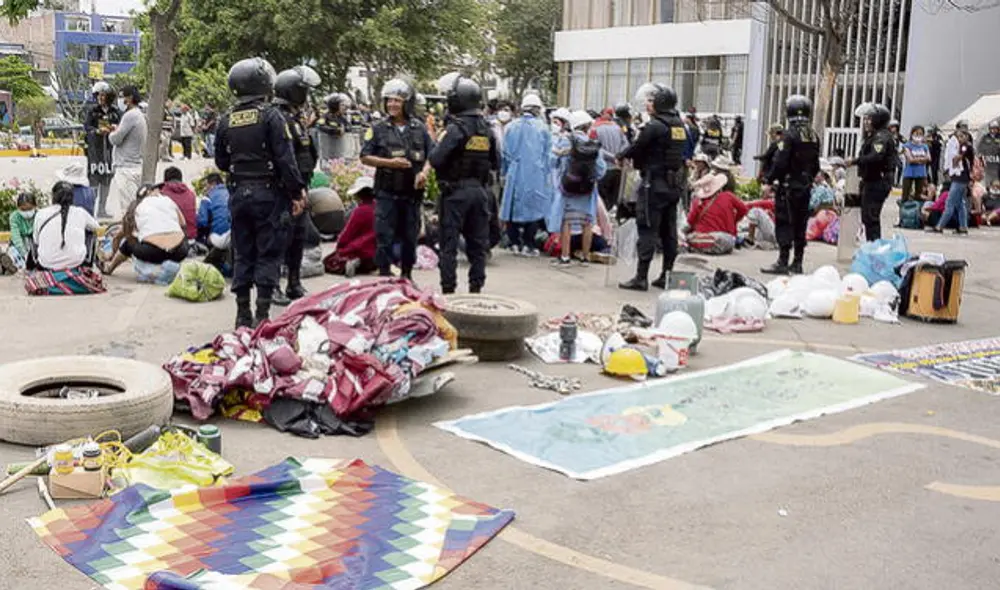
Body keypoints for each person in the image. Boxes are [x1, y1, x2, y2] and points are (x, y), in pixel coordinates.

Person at [214, 57, 307, 328]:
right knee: (269, 252)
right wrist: (297, 192)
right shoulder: (271, 116)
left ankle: (242, 312)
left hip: (238, 193)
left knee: (242, 252)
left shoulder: (226, 119)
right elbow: (285, 159)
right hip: (268, 195)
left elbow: (221, 161)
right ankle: (262, 314)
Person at [428, 72, 496, 294]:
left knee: (448, 245)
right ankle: (476, 290)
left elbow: (436, 159)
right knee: (477, 245)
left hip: (455, 193)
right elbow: (496, 162)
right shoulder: (487, 130)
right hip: (480, 192)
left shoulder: (456, 129)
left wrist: (437, 141)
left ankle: (449, 291)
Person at [360, 78, 433, 281]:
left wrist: (424, 173)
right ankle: (384, 278)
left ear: (407, 104)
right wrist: (390, 163)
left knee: (410, 238)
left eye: (397, 101)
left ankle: (407, 278)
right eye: (389, 100)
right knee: (384, 237)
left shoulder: (419, 128)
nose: (392, 104)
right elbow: (365, 156)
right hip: (387, 194)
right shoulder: (377, 128)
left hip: (412, 195)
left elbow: (431, 156)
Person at [617, 82, 686, 291]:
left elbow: (637, 147)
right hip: (673, 186)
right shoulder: (679, 125)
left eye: (651, 101)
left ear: (660, 103)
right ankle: (666, 274)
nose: (648, 104)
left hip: (653, 185)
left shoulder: (655, 126)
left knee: (647, 228)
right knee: (669, 231)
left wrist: (621, 155)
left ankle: (641, 277)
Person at [272, 65, 321, 305]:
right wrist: (294, 191)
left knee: (297, 237)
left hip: (300, 186)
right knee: (280, 238)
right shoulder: (279, 119)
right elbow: (285, 158)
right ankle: (273, 286)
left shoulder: (296, 119)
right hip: (285, 190)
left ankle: (294, 282)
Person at [761, 95, 820, 275]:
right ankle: (798, 262)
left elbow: (780, 162)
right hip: (805, 186)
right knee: (801, 224)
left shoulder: (788, 135)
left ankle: (783, 261)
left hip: (788, 187)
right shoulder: (813, 135)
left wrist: (769, 180)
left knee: (784, 223)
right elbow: (816, 164)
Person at [546, 110, 606, 267]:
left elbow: (552, 162)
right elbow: (601, 170)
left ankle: (565, 257)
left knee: (566, 221)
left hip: (568, 187)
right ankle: (585, 258)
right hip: (587, 190)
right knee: (587, 222)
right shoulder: (592, 144)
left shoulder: (564, 141)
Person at [500, 93, 552, 256]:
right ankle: (529, 244)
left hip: (514, 173)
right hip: (535, 175)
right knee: (534, 208)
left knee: (511, 207)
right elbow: (548, 154)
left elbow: (504, 153)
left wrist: (504, 173)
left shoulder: (511, 127)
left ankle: (514, 242)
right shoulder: (543, 128)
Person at [101, 184, 189, 274]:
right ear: (149, 192)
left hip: (151, 252)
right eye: (156, 189)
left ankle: (109, 268)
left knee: (128, 243)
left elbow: (118, 237)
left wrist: (112, 254)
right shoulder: (167, 200)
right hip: (180, 251)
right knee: (180, 236)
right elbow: (183, 224)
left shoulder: (136, 207)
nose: (159, 191)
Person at [848, 103, 894, 242]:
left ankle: (874, 247)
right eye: (865, 119)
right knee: (867, 217)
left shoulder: (881, 137)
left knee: (871, 217)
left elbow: (875, 157)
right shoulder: (874, 136)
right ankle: (872, 245)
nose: (866, 122)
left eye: (870, 119)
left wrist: (855, 161)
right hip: (870, 180)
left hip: (878, 182)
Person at [34, 182, 99, 271]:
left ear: (53, 196)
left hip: (46, 264)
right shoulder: (80, 212)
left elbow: (36, 240)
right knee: (92, 232)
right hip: (76, 263)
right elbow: (97, 228)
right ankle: (88, 264)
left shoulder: (41, 213)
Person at [106, 85, 146, 220]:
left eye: (121, 97)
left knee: (128, 211)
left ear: (129, 98)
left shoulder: (130, 115)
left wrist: (111, 133)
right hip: (134, 166)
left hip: (126, 169)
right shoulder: (138, 114)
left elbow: (115, 139)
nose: (119, 100)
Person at [323, 176, 377, 276]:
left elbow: (347, 234)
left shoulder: (360, 211)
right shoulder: (380, 208)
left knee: (329, 261)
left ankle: (352, 262)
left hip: (360, 249)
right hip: (377, 251)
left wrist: (339, 247)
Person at [684, 172, 748, 255]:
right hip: (728, 239)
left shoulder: (698, 202)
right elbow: (744, 209)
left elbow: (689, 223)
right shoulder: (728, 196)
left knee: (687, 239)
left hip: (706, 238)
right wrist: (734, 221)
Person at [83, 81, 120, 218]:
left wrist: (114, 128)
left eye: (103, 95)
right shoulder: (92, 111)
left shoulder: (115, 112)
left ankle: (102, 209)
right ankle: (91, 210)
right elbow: (87, 127)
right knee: (94, 181)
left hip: (110, 151)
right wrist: (97, 131)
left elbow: (121, 126)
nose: (100, 98)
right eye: (98, 95)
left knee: (107, 180)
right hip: (95, 152)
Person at [932, 128, 976, 234]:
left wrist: (952, 155)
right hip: (961, 177)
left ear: (966, 136)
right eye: (958, 137)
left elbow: (957, 158)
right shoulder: (962, 146)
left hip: (961, 177)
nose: (959, 139)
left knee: (950, 202)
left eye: (962, 136)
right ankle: (963, 226)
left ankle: (940, 226)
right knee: (960, 203)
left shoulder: (965, 146)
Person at [589, 107, 629, 212]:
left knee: (602, 199)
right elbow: (626, 144)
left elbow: (595, 148)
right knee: (613, 197)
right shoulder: (618, 128)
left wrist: (612, 157)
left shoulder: (595, 128)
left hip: (603, 169)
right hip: (618, 168)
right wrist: (619, 156)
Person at [196, 172, 231, 268]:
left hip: (217, 237)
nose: (206, 188)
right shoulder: (230, 193)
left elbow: (202, 222)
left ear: (213, 184)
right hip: (233, 235)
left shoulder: (207, 197)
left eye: (206, 185)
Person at [159, 166, 198, 240]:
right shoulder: (191, 194)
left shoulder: (161, 194)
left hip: (170, 239)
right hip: (190, 237)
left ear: (165, 180)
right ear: (181, 179)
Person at [315, 92, 352, 167]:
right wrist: (335, 131)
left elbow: (349, 127)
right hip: (328, 151)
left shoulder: (342, 117)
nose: (344, 107)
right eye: (341, 105)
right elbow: (320, 125)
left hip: (340, 149)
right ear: (335, 105)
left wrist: (344, 129)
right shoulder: (326, 116)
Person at [2, 192, 37, 270]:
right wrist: (24, 253)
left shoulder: (39, 215)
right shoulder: (14, 217)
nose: (26, 212)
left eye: (29, 209)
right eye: (23, 209)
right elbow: (16, 236)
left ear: (35, 206)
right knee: (16, 258)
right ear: (18, 208)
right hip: (19, 244)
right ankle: (9, 265)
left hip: (34, 243)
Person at [900, 125, 931, 202]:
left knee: (918, 195)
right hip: (909, 173)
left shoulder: (924, 146)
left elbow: (929, 158)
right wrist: (922, 159)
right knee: (905, 196)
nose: (918, 135)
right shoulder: (907, 145)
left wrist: (916, 159)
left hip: (921, 173)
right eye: (916, 133)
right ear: (912, 134)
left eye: (921, 134)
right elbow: (910, 160)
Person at [976, 119, 1000, 186]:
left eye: (995, 128)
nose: (994, 130)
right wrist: (981, 156)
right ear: (989, 129)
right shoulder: (985, 137)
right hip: (988, 164)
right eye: (992, 128)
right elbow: (980, 148)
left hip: (997, 164)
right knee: (988, 181)